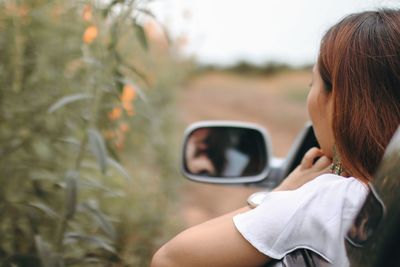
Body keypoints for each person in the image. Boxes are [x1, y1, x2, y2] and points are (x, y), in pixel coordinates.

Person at [151, 9, 400, 267]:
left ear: (338, 99)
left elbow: (169, 259)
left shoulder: (333, 201)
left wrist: (284, 192)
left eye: (311, 83)